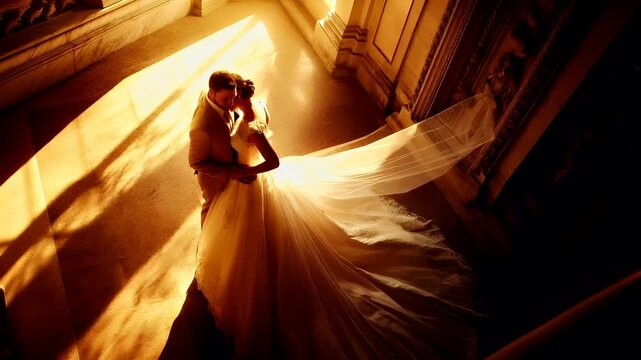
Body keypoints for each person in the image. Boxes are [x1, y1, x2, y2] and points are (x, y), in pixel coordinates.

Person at [195, 78, 497, 359]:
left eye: (232, 99)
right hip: (247, 183)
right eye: (226, 99)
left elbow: (272, 162)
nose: (229, 103)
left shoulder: (252, 125)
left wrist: (244, 172)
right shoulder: (255, 107)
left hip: (253, 183)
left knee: (265, 242)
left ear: (239, 99)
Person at [188, 70, 255, 227]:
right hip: (213, 180)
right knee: (211, 211)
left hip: (229, 161)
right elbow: (196, 162)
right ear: (212, 92)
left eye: (233, 98)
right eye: (226, 100)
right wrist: (233, 172)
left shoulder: (212, 95)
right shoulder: (201, 128)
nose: (232, 104)